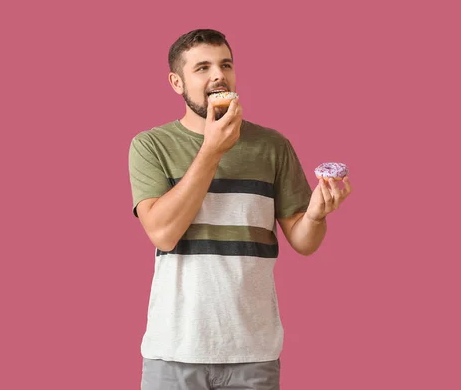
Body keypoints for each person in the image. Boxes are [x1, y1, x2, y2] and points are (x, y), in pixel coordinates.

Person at [128, 29, 352, 390]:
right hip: (174, 349)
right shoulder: (151, 145)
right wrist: (212, 149)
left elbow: (305, 241)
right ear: (177, 82)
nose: (218, 75)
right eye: (202, 67)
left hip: (254, 350)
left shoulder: (272, 145)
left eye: (225, 65)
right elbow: (163, 234)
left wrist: (315, 214)